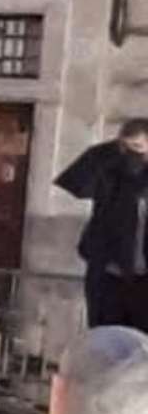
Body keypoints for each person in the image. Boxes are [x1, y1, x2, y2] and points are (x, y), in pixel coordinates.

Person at [57, 119, 148, 331]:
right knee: (105, 340)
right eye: (127, 149)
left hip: (144, 280)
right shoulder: (110, 171)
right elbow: (76, 184)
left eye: (138, 149)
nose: (132, 156)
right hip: (109, 275)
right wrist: (114, 149)